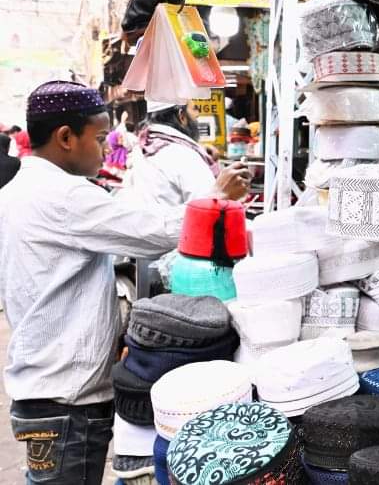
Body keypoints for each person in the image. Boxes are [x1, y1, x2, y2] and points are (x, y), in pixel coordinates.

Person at [0, 81, 251, 484]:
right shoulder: (63, 195)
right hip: (67, 397)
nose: (104, 149)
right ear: (66, 137)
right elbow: (151, 231)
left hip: (45, 385)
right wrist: (215, 196)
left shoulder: (18, 190)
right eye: (99, 138)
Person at [124, 100, 239, 207]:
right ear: (182, 116)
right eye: (195, 109)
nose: (198, 115)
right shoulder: (185, 156)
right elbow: (209, 208)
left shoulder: (141, 149)